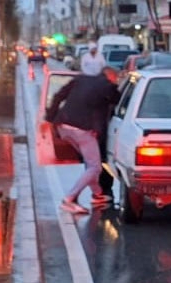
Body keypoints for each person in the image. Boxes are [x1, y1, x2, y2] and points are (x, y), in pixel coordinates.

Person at [47, 67, 121, 214]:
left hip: (63, 125)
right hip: (83, 130)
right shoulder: (107, 86)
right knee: (95, 167)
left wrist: (50, 118)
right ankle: (69, 199)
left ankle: (98, 194)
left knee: (90, 161)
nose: (116, 80)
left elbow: (58, 96)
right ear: (111, 76)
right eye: (116, 78)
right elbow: (118, 100)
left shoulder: (80, 79)